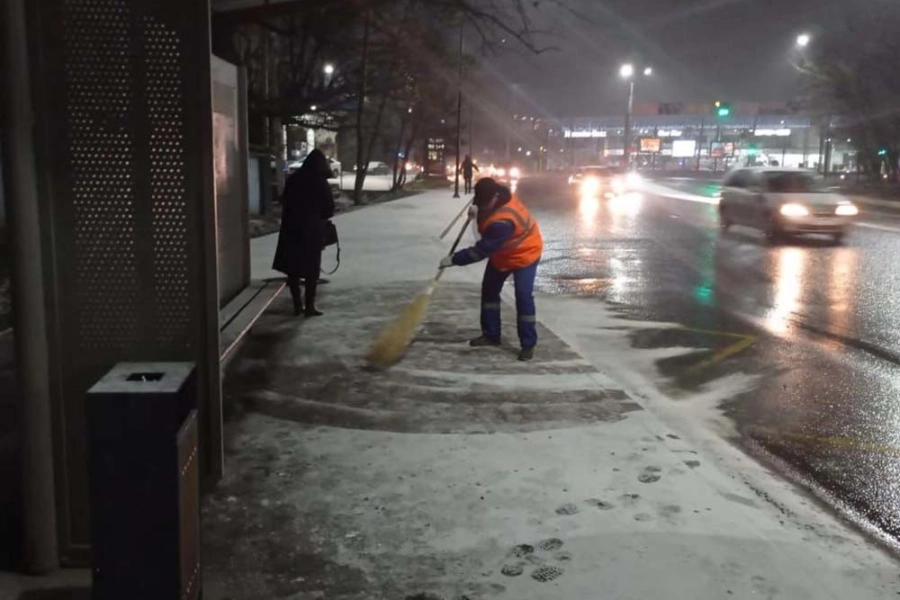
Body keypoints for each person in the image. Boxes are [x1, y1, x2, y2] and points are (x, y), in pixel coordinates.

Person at [439, 178, 543, 361]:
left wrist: (454, 259)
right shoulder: (493, 198)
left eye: (484, 203)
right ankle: (491, 334)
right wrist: (477, 212)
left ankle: (528, 344)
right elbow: (485, 215)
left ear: (495, 197)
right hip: (502, 254)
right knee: (489, 291)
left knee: (523, 296)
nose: (483, 205)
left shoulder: (503, 221)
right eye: (480, 202)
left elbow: (482, 250)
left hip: (526, 254)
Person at [272, 149, 335, 317]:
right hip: (312, 232)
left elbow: (284, 201)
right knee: (312, 270)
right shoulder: (320, 182)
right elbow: (329, 209)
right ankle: (310, 305)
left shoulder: (294, 179)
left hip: (291, 231)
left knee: (293, 269)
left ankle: (297, 305)